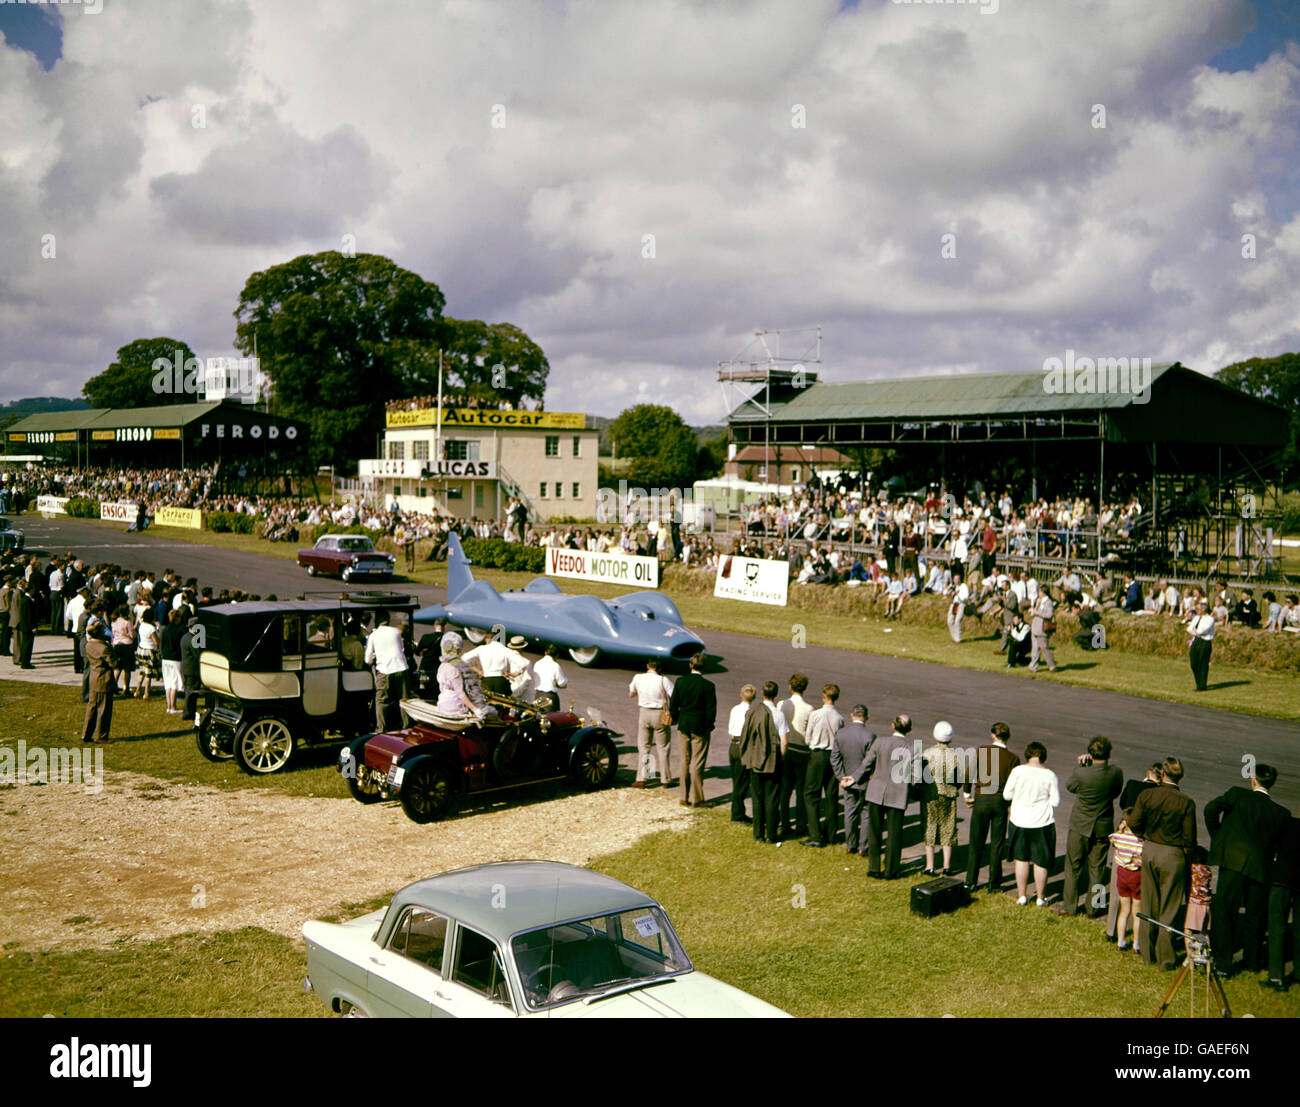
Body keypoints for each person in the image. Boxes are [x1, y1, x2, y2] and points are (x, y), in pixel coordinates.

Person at [1205, 765, 1290, 977]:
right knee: (1255, 916)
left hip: (1233, 860)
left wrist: (1219, 836)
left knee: (1225, 910)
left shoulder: (1237, 794)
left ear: (1254, 780)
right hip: (1260, 867)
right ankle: (1251, 961)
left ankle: (1223, 962)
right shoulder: (1281, 813)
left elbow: (1210, 809)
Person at [1128, 757, 1197, 971]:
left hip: (1150, 850)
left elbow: (1134, 822)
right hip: (1173, 854)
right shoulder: (1185, 802)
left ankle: (1147, 954)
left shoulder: (1147, 795)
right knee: (1170, 906)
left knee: (1148, 901)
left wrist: (1143, 835)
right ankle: (1165, 957)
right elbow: (1189, 838)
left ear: (1163, 774)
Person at [1054, 736, 1123, 917]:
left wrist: (1082, 767)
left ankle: (1069, 906)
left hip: (1080, 825)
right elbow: (1116, 792)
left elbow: (1071, 787)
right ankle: (1095, 906)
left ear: (1090, 754)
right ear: (1108, 753)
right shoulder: (1116, 773)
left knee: (1073, 867)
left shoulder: (1082, 773)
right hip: (1102, 825)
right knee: (1098, 869)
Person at [962, 722, 1019, 893]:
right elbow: (1013, 784)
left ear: (993, 735)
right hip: (1000, 801)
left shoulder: (982, 751)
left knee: (976, 842)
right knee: (997, 843)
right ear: (1008, 737)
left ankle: (971, 880)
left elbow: (969, 773)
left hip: (982, 798)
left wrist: (966, 794)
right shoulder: (1013, 758)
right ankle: (994, 884)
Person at [1003, 741, 1060, 906]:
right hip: (1042, 822)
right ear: (1043, 756)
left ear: (1027, 755)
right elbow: (1055, 801)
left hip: (1019, 820)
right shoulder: (1050, 775)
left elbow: (1007, 795)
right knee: (1041, 861)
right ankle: (1040, 897)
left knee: (1021, 859)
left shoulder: (1017, 771)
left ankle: (1022, 895)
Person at [861, 714, 912, 879]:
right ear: (909, 730)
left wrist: (853, 778)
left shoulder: (880, 742)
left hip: (876, 792)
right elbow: (916, 775)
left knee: (874, 832)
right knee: (894, 834)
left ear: (892, 726)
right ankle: (891, 870)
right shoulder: (911, 749)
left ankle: (874, 867)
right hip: (897, 795)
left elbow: (866, 764)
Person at [668, 652, 716, 808]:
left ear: (690, 665)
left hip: (684, 725)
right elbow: (711, 710)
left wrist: (676, 719)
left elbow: (673, 704)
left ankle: (683, 796)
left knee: (684, 761)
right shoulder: (708, 686)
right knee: (697, 763)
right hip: (700, 727)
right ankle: (697, 798)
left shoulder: (681, 681)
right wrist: (709, 726)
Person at [738, 681, 782, 843]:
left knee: (757, 798)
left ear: (762, 693)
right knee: (771, 798)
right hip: (773, 759)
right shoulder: (778, 714)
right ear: (776, 694)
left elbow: (746, 735)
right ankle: (771, 834)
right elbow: (783, 742)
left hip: (755, 758)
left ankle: (758, 834)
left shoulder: (753, 712)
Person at [801, 683, 843, 848]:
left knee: (811, 794)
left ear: (824, 696)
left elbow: (807, 737)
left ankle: (815, 834)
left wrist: (812, 742)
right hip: (833, 755)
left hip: (817, 754)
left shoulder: (816, 714)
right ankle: (831, 834)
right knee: (831, 795)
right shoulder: (840, 718)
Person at [831, 703, 875, 856]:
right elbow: (869, 763)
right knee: (866, 814)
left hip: (847, 782)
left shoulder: (841, 734)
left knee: (850, 813)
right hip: (864, 782)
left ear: (851, 715)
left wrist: (842, 777)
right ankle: (864, 847)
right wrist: (856, 778)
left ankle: (851, 844)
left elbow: (834, 758)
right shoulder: (870, 736)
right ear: (867, 717)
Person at [921, 721, 961, 875]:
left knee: (929, 826)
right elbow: (959, 779)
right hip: (948, 795)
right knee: (948, 827)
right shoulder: (955, 755)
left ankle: (929, 866)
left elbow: (922, 775)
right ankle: (947, 866)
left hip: (931, 795)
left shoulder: (927, 753)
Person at [1265, 816, 1300, 991]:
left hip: (1283, 879)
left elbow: (1271, 845)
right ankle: (1299, 972)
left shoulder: (1287, 823)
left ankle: (1276, 976)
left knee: (1277, 927)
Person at [777, 674, 813, 841]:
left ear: (790, 686)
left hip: (787, 747)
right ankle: (800, 824)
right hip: (802, 751)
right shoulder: (809, 708)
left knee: (785, 789)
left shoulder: (781, 704)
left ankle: (784, 823)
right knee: (801, 789)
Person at [628, 658, 674, 789]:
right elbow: (673, 694)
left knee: (644, 746)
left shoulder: (638, 678)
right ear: (659, 668)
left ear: (647, 666)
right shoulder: (663, 680)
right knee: (663, 747)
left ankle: (642, 778)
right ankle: (666, 779)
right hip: (659, 713)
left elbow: (631, 694)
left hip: (644, 712)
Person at [365, 611, 409, 730]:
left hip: (384, 670)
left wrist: (374, 657)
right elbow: (401, 648)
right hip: (401, 667)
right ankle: (406, 726)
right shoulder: (395, 631)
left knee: (381, 700)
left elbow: (367, 659)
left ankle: (381, 728)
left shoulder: (373, 635)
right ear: (388, 621)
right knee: (403, 700)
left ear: (376, 622)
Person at [1109, 811, 1144, 954]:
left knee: (1124, 911)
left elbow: (1112, 836)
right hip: (1136, 875)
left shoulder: (1118, 837)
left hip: (1122, 875)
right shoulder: (1139, 842)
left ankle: (1121, 942)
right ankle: (1136, 944)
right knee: (1137, 912)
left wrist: (1121, 829)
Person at [81, 617, 115, 744]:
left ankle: (86, 733)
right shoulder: (104, 647)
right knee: (104, 709)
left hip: (94, 677)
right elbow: (113, 663)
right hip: (104, 678)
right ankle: (101, 735)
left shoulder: (89, 645)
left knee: (92, 706)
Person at [726, 684, 756, 824]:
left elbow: (731, 729)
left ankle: (738, 812)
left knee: (737, 781)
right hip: (744, 746)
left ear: (741, 695)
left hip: (733, 745)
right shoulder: (752, 712)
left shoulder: (735, 709)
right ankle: (737, 814)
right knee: (742, 783)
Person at [160, 608, 185, 714]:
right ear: (177, 618)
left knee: (168, 683)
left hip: (165, 658)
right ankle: (173, 707)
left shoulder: (165, 630)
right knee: (174, 683)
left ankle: (169, 706)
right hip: (175, 658)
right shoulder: (180, 630)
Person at [1186, 598, 1215, 692]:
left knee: (1203, 663)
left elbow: (1202, 631)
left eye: (1202, 606)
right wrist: (1195, 633)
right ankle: (1198, 682)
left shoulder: (1210, 619)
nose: (1200, 608)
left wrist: (1195, 632)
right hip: (1196, 640)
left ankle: (1202, 685)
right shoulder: (1196, 618)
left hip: (1205, 642)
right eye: (1199, 606)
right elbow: (1189, 628)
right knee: (1193, 663)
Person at [1027, 586, 1057, 674]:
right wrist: (1034, 609)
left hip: (1042, 628)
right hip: (1035, 627)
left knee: (1044, 648)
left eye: (1039, 592)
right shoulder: (1039, 601)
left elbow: (1049, 614)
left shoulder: (1048, 602)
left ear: (1043, 592)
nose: (1038, 594)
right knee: (1035, 649)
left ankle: (1052, 665)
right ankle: (1033, 666)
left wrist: (1037, 612)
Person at [532, 643, 567, 711]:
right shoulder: (555, 666)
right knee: (551, 718)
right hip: (550, 698)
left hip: (538, 696)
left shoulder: (537, 663)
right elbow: (563, 684)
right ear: (557, 656)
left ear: (545, 653)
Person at [180, 616, 202, 720]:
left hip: (186, 668)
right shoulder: (193, 639)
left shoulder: (185, 637)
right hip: (192, 670)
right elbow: (198, 655)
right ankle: (188, 713)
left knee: (189, 691)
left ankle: (189, 712)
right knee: (191, 693)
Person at [134, 609, 160, 699]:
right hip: (149, 650)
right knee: (148, 673)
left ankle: (137, 690)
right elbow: (156, 642)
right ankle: (146, 693)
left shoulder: (142, 625)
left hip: (141, 649)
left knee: (141, 671)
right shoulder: (151, 628)